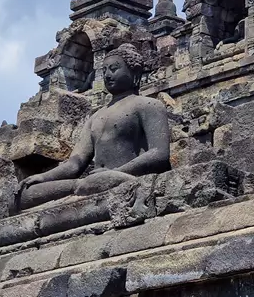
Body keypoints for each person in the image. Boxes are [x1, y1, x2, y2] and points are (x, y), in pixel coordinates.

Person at [17, 43, 171, 210]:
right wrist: (43, 177)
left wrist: (115, 174)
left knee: (95, 184)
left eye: (114, 69)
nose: (107, 75)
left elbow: (159, 154)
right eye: (104, 71)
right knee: (23, 196)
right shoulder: (95, 117)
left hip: (124, 178)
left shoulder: (147, 105)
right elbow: (75, 164)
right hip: (89, 182)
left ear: (135, 72)